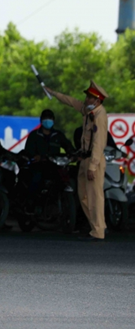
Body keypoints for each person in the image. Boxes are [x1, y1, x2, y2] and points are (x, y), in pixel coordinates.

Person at [45, 81, 109, 242]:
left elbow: (98, 144)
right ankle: (97, 225)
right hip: (84, 159)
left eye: (89, 97)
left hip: (93, 161)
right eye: (87, 96)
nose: (86, 99)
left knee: (95, 196)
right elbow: (71, 101)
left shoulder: (100, 116)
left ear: (97, 100)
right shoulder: (88, 112)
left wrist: (93, 166)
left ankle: (98, 231)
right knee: (83, 196)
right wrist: (53, 93)